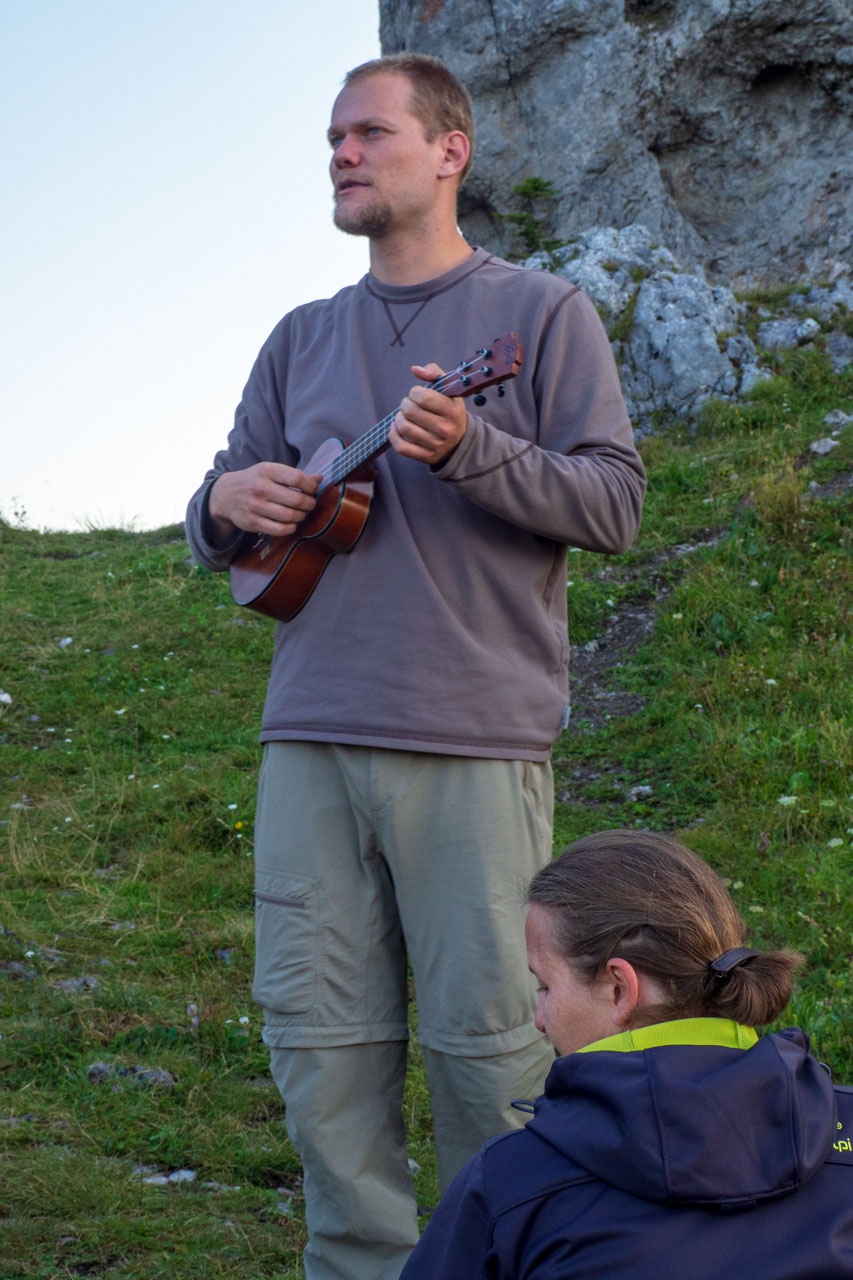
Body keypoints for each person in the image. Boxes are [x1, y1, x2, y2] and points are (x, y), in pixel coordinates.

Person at [185, 52, 646, 1280]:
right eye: (333, 138)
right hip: (310, 736)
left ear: (450, 151)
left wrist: (475, 453)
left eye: (368, 134)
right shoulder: (300, 336)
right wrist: (223, 501)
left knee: (493, 1050)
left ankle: (496, 1263)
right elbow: (223, 513)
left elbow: (613, 503)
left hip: (473, 741)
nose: (341, 154)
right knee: (318, 1041)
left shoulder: (541, 314)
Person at [400, 828, 853, 1279]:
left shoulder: (509, 1184)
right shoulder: (843, 1127)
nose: (539, 1018)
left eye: (545, 986)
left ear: (620, 988)